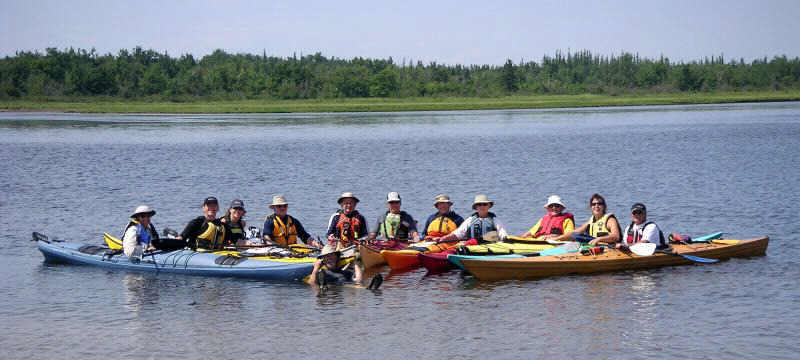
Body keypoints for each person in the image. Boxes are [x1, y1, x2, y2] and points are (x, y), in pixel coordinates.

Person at [309, 192, 369, 285]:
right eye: (346, 203)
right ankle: (326, 271)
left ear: (355, 204)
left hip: (354, 247)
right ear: (341, 204)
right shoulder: (336, 217)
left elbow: (365, 235)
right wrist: (331, 237)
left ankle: (356, 275)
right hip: (337, 247)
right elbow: (328, 233)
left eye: (351, 203)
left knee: (358, 255)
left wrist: (361, 242)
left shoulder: (361, 218)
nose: (348, 205)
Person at [432, 194, 508, 243]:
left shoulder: (495, 220)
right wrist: (442, 239)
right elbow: (457, 234)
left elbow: (503, 235)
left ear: (488, 206)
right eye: (479, 204)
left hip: (491, 247)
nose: (482, 206)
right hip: (473, 247)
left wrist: (508, 240)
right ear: (476, 207)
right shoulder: (470, 220)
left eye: (484, 204)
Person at [550, 194, 621, 245]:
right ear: (591, 207)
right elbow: (573, 233)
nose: (596, 206)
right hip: (595, 247)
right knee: (576, 236)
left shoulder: (610, 220)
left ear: (604, 206)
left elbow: (616, 236)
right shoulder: (590, 222)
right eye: (594, 204)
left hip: (610, 248)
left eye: (599, 204)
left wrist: (599, 239)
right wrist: (557, 238)